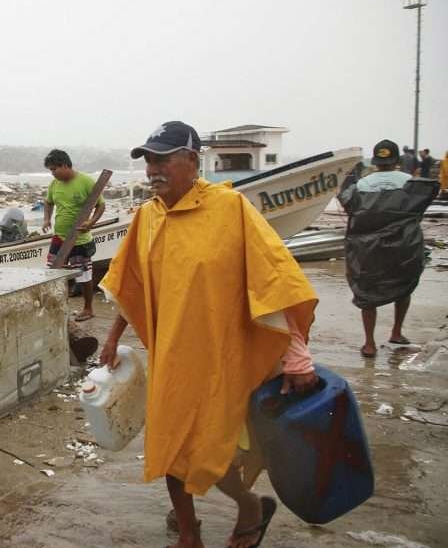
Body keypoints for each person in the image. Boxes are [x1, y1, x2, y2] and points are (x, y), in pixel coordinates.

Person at [98, 121, 319, 548]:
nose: (152, 169)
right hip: (171, 357)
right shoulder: (147, 217)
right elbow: (131, 286)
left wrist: (296, 354)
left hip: (221, 357)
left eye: (162, 159)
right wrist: (111, 338)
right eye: (148, 160)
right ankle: (188, 533)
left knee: (215, 449)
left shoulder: (230, 209)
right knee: (169, 445)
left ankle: (250, 507)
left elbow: (274, 282)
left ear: (192, 160)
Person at [339, 139, 438, 357]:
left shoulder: (361, 185)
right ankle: (396, 332)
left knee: (367, 291)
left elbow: (350, 208)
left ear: (375, 161)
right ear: (396, 160)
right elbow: (420, 207)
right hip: (404, 245)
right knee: (404, 286)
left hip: (368, 248)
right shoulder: (410, 182)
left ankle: (369, 344)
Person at [41, 149, 106, 322]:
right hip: (59, 237)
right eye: (50, 170)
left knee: (84, 275)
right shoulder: (54, 184)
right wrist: (46, 219)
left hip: (80, 238)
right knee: (53, 272)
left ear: (64, 165)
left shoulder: (85, 182)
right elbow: (48, 202)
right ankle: (58, 307)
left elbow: (100, 205)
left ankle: (88, 309)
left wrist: (91, 222)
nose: (52, 173)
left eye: (54, 169)